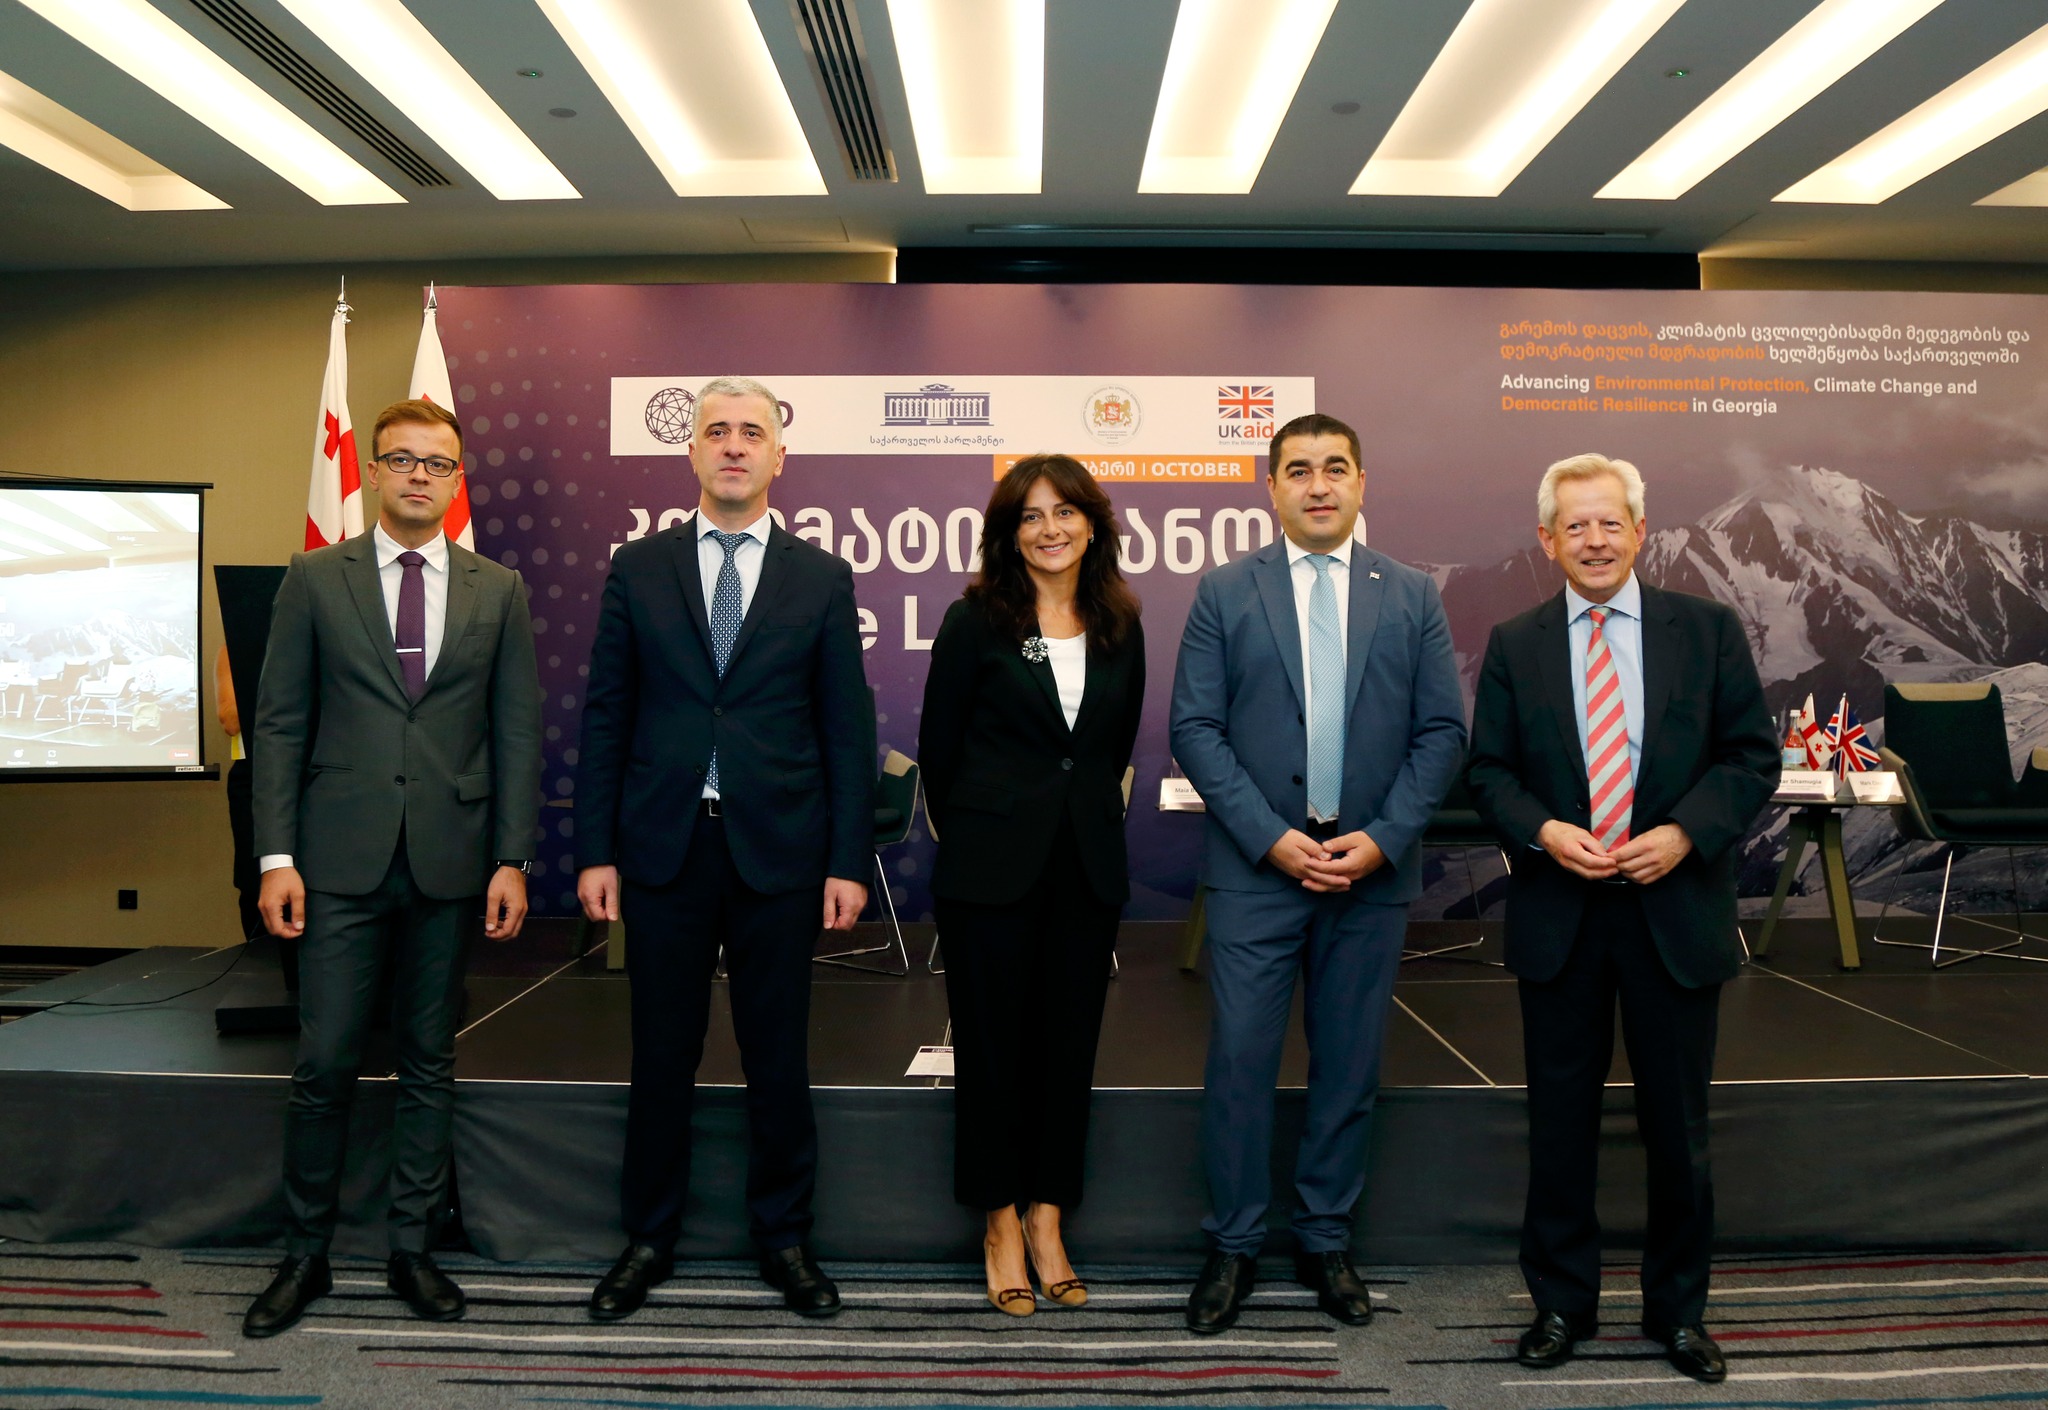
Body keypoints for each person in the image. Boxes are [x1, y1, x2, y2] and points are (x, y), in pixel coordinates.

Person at [1465, 453, 1778, 1384]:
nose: (1595, 540)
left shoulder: (1708, 630)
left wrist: (1685, 834)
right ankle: (1561, 1305)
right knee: (1559, 1126)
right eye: (1576, 525)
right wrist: (1544, 831)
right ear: (1547, 539)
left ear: (1641, 531)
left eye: (1611, 523)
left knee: (1678, 1129)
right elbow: (1489, 773)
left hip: (1672, 914)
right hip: (1561, 915)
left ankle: (1678, 1314)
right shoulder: (1515, 642)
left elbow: (1750, 758)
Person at [576, 376, 874, 1322]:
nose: (735, 445)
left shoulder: (820, 577)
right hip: (663, 851)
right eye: (717, 431)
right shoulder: (637, 568)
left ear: (780, 454)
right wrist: (594, 850)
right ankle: (647, 1238)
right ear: (692, 451)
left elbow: (846, 731)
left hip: (780, 854)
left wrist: (847, 860)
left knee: (776, 1057)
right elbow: (607, 715)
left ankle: (784, 1239)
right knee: (660, 1055)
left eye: (752, 432)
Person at [244, 397, 542, 1337]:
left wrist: (512, 857)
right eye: (402, 459)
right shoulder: (313, 578)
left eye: (436, 463)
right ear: (372, 471)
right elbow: (279, 725)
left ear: (457, 481)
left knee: (428, 1062)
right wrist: (276, 857)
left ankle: (412, 1250)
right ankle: (305, 1254)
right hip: (335, 862)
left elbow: (517, 733)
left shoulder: (498, 589)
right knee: (325, 1061)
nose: (419, 474)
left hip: (453, 862)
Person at [1168, 413, 1465, 1333]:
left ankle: (1326, 1240)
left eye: (1336, 467)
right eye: (1298, 470)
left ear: (1362, 482)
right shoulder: (1225, 591)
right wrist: (1271, 839)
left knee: (1348, 1067)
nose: (1319, 484)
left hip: (1369, 872)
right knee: (1240, 1062)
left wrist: (1383, 839)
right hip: (1260, 872)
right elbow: (1195, 728)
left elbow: (1441, 732)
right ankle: (1233, 1245)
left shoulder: (1411, 594)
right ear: (1272, 488)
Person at [920, 455, 1146, 1316]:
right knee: (991, 1052)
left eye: (1066, 512)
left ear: (1093, 523)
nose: (1050, 529)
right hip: (989, 873)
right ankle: (1000, 1224)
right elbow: (940, 752)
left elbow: (1110, 750)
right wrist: (991, 831)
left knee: (1068, 1048)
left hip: (1086, 868)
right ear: (1009, 534)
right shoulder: (975, 620)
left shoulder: (1121, 622)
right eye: (1030, 516)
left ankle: (1050, 1219)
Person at [214, 644, 261, 943]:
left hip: (318, 777)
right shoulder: (233, 647)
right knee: (254, 883)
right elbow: (230, 720)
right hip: (252, 776)